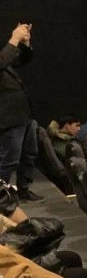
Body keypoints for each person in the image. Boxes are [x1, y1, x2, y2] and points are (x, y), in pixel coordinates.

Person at [0, 23, 42, 202]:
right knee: (9, 160)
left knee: (29, 154)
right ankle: (2, 198)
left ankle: (23, 190)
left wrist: (24, 43)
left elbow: (20, 59)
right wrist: (14, 39)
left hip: (23, 115)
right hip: (8, 118)